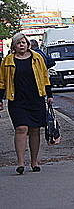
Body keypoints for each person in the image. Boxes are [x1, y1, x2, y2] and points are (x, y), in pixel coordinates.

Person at [0, 32, 54, 174]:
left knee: (35, 130)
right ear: (14, 46)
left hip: (35, 99)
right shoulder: (7, 61)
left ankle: (34, 161)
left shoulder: (37, 58)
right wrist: (0, 99)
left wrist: (49, 95)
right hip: (17, 101)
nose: (22, 45)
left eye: (24, 42)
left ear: (28, 44)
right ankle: (20, 163)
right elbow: (2, 82)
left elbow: (44, 76)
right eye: (19, 43)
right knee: (21, 128)